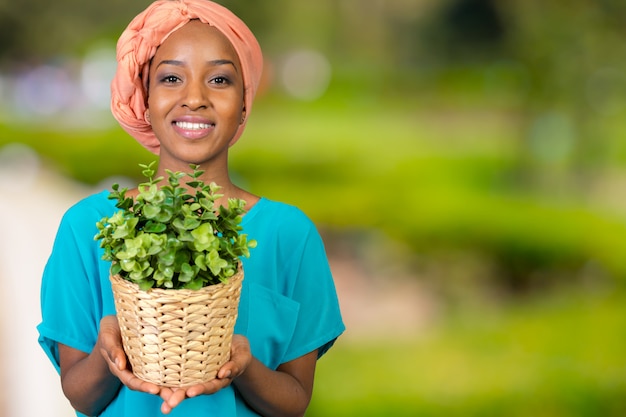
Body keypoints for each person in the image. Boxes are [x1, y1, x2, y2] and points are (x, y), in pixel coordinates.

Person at [37, 1, 345, 416]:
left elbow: (293, 403)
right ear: (144, 98)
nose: (195, 98)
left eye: (219, 79)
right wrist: (111, 352)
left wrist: (245, 365)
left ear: (243, 104)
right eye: (170, 78)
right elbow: (79, 394)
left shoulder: (288, 234)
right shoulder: (87, 228)